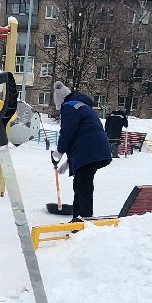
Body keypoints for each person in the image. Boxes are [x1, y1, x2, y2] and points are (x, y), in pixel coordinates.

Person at [53, 80, 112, 220]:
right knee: (81, 184)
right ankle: (78, 219)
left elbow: (67, 132)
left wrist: (60, 151)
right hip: (93, 151)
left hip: (89, 153)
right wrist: (69, 163)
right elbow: (81, 136)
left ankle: (85, 220)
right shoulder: (81, 106)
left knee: (83, 186)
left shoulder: (69, 107)